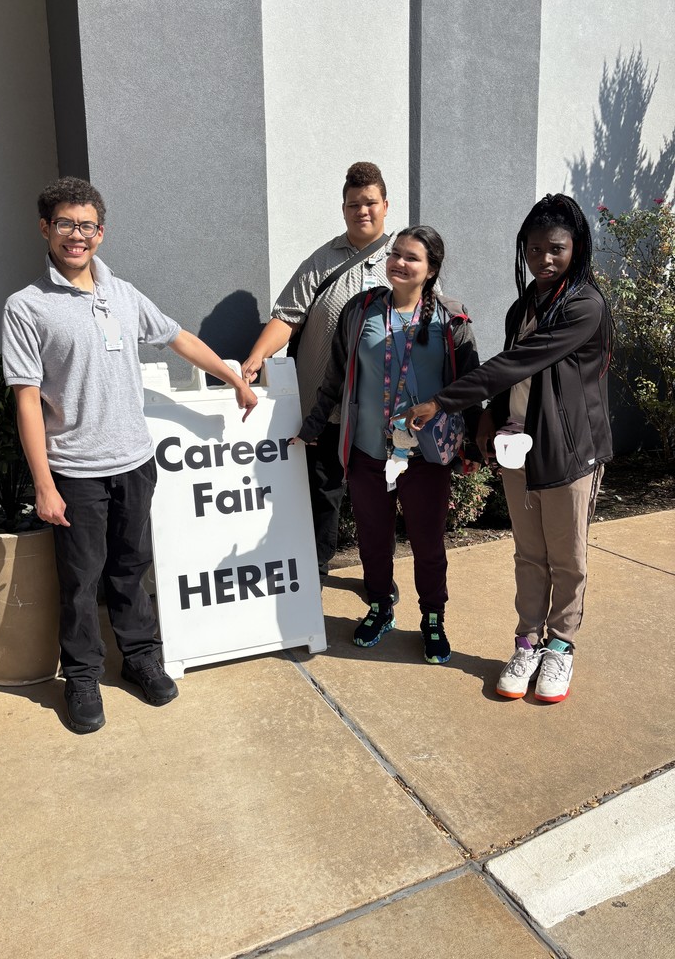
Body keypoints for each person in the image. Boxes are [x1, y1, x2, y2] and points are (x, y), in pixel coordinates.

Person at [2, 176, 257, 734]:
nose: (77, 236)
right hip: (75, 470)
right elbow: (26, 400)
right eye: (65, 224)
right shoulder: (27, 307)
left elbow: (177, 336)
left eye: (87, 226)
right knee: (79, 579)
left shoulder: (122, 293)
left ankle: (140, 656)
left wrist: (231, 376)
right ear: (45, 228)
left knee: (130, 568)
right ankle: (84, 677)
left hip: (134, 462)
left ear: (101, 232)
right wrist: (43, 483)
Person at [403, 194, 613, 702]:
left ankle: (560, 647)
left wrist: (443, 402)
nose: (543, 259)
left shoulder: (584, 305)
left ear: (576, 247)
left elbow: (518, 363)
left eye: (555, 249)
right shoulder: (525, 305)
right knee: (529, 554)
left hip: (568, 453)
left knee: (567, 558)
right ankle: (527, 642)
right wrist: (489, 419)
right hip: (519, 446)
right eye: (534, 249)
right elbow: (510, 370)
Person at [295, 226, 481, 662]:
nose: (399, 262)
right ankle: (380, 607)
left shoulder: (450, 318)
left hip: (425, 455)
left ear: (430, 269)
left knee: (428, 541)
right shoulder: (361, 311)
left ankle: (433, 618)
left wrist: (472, 445)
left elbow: (470, 385)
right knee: (373, 539)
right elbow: (336, 376)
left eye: (411, 257)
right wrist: (314, 423)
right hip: (368, 451)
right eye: (395, 254)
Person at [242, 162, 393, 583]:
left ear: (385, 206)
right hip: (322, 407)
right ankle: (315, 570)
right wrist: (256, 357)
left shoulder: (399, 259)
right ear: (343, 209)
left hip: (375, 411)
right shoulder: (322, 260)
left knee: (375, 495)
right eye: (353, 204)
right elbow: (287, 316)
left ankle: (378, 578)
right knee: (323, 493)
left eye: (369, 203)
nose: (361, 211)